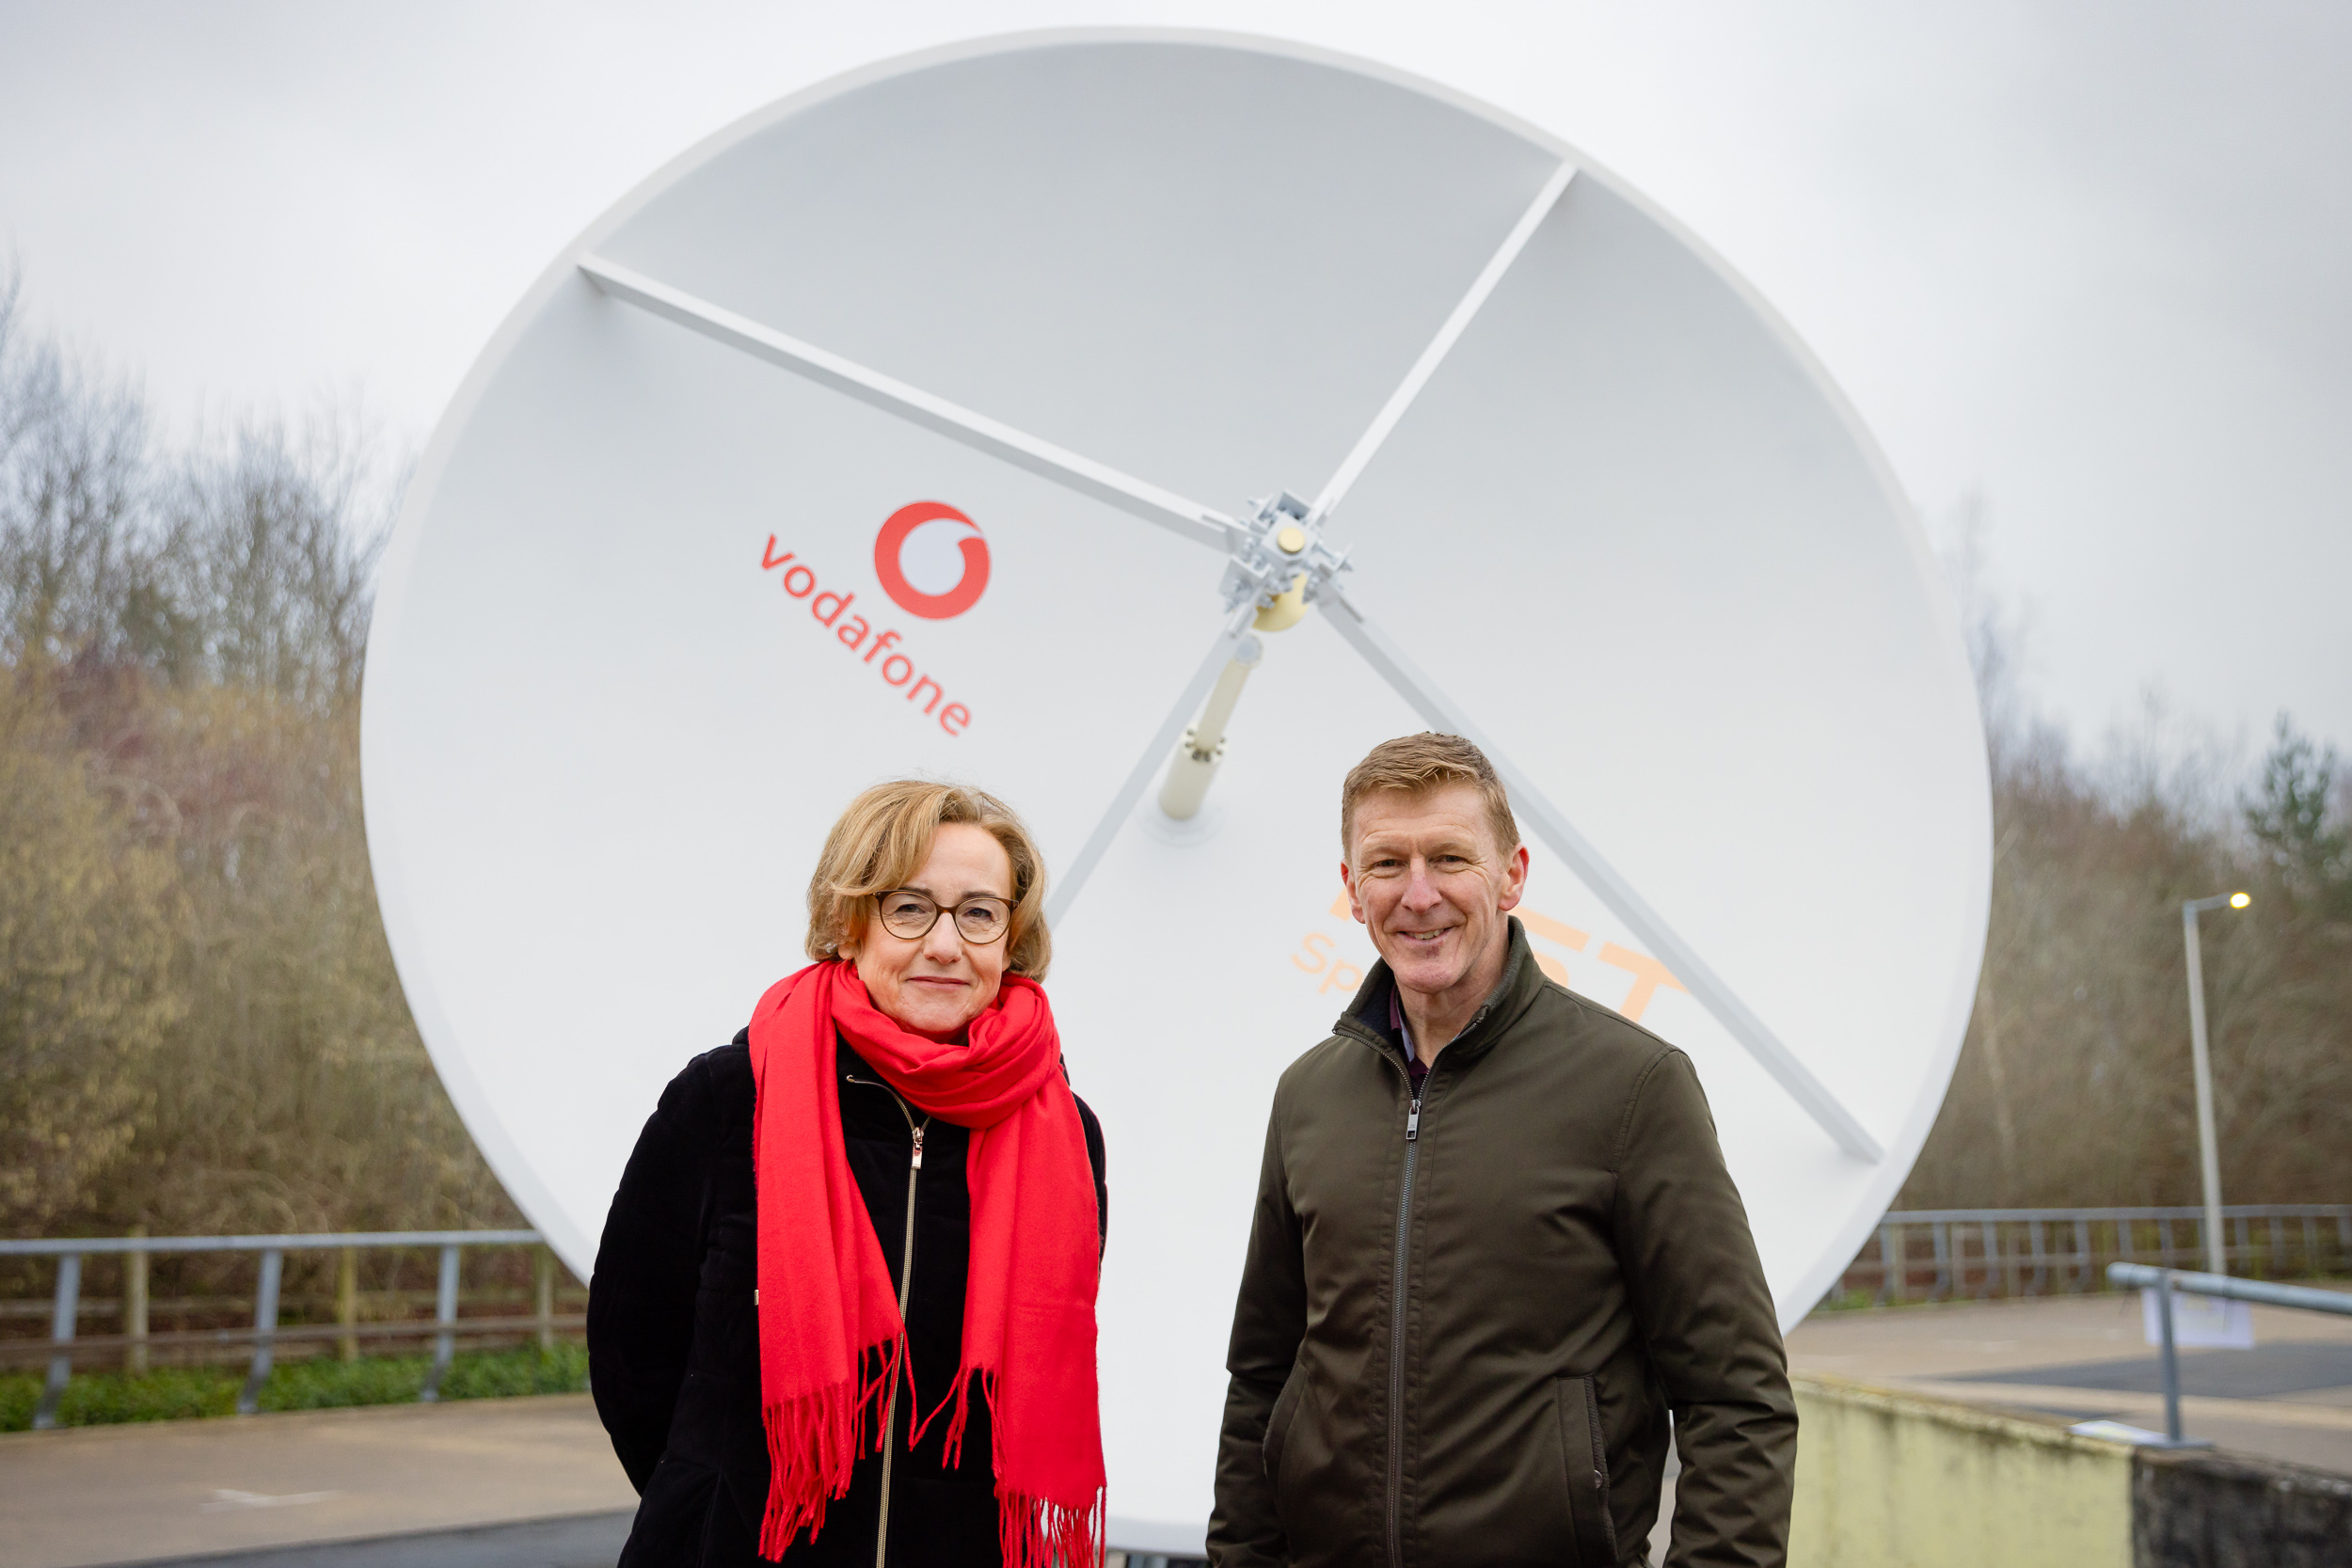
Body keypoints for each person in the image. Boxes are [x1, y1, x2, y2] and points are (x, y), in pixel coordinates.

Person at [1210, 734, 1796, 1568]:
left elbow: (1737, 1398)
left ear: (1512, 874)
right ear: (1350, 888)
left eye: (1450, 857)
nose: (1419, 894)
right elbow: (1262, 1381)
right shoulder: (1308, 1095)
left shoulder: (1634, 1086)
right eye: (1386, 863)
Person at [589, 781, 1108, 1568]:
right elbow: (631, 1350)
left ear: (1012, 937)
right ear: (847, 920)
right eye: (909, 907)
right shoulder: (729, 1099)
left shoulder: (1067, 1138)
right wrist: (713, 1505)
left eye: (978, 912)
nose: (945, 943)